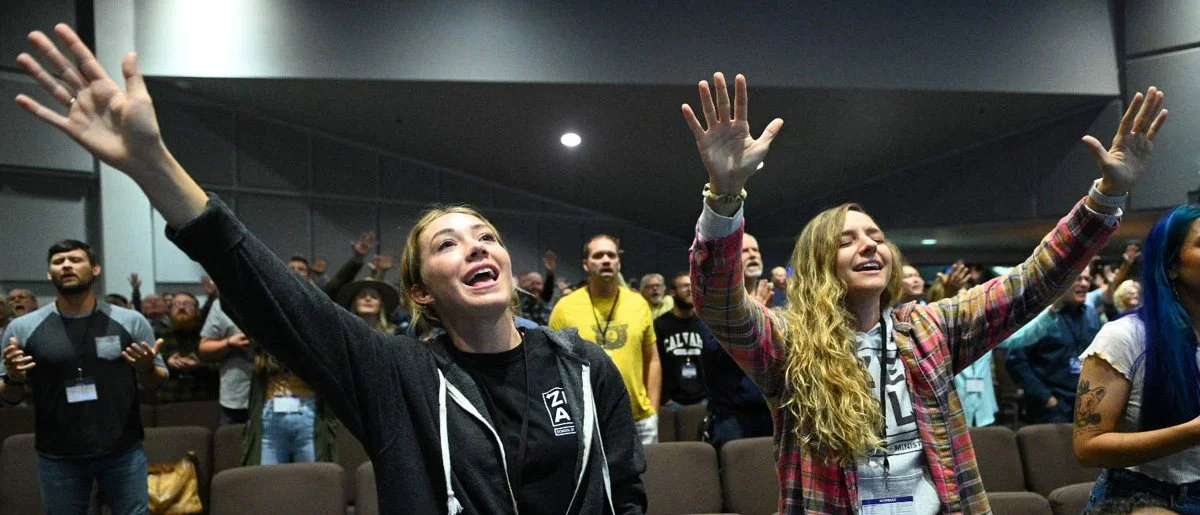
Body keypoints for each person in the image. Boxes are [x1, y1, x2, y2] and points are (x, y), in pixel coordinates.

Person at [13, 24, 644, 514]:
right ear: (421, 291)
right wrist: (154, 167)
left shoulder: (583, 368)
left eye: (486, 237)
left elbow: (626, 493)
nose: (477, 247)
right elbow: (275, 297)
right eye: (448, 244)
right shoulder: (396, 376)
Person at [680, 71, 1164, 513]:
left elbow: (1031, 283)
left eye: (875, 236)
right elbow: (718, 301)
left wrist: (1107, 195)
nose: (869, 245)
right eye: (847, 241)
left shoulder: (928, 330)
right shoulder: (788, 343)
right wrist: (724, 195)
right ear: (818, 264)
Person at [1, 239, 166, 514]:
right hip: (58, 455)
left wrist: (147, 368)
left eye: (75, 260)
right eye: (58, 262)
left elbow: (157, 381)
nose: (66, 265)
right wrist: (14, 378)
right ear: (49, 274)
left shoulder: (131, 321)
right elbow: (9, 397)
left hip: (122, 451)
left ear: (96, 269)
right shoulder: (22, 328)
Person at [1074, 205, 1200, 512]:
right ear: (1172, 265)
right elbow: (1088, 447)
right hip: (1143, 494)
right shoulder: (1125, 336)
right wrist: (1193, 432)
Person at [550, 234, 662, 446]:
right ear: (586, 264)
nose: (606, 260)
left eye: (611, 255)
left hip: (639, 419)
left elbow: (653, 359)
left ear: (619, 263)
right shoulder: (564, 308)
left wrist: (652, 410)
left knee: (649, 469)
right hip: (589, 420)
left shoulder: (639, 304)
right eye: (598, 255)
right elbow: (553, 368)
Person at [1005, 269, 1102, 424]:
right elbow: (1016, 361)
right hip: (1051, 408)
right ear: (1061, 281)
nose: (1084, 284)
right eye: (1077, 278)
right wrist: (1046, 398)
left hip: (1084, 405)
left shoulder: (1092, 315)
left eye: (1087, 279)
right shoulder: (1041, 317)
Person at [654, 272, 710, 407]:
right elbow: (655, 364)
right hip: (671, 402)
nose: (690, 290)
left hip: (703, 399)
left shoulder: (704, 324)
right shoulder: (660, 325)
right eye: (685, 286)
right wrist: (664, 398)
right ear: (672, 292)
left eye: (693, 286)